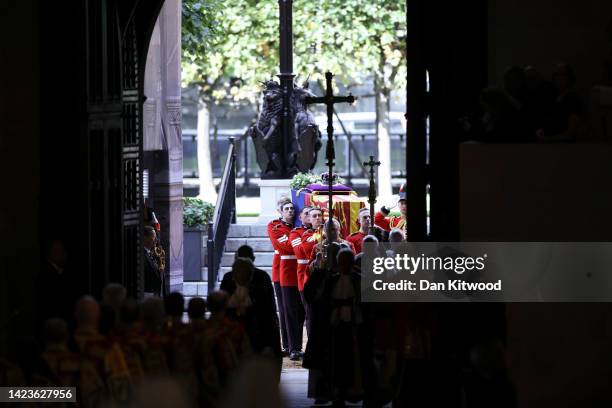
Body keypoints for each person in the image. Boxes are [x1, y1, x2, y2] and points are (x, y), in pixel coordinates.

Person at [220, 249, 281, 361]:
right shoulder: (228, 280)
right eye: (237, 271)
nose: (240, 274)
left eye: (244, 271)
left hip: (257, 337)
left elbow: (268, 312)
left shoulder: (261, 281)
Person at [267, 197, 302, 360]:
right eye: (286, 209)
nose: (290, 211)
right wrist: (300, 244)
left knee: (294, 310)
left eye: (291, 209)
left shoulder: (298, 227)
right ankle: (288, 345)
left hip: (297, 270)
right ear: (280, 211)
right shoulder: (275, 226)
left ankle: (291, 345)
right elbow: (286, 246)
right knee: (285, 310)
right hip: (283, 270)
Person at [537, 63, 586, 142]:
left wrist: (547, 139)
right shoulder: (554, 98)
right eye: (556, 75)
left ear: (570, 78)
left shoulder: (573, 99)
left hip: (564, 148)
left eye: (562, 75)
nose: (558, 78)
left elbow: (571, 133)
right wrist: (542, 130)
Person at [289, 206, 311, 336]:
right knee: (306, 313)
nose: (310, 216)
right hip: (304, 273)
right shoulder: (296, 232)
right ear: (300, 217)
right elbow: (299, 251)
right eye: (306, 214)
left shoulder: (321, 231)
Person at [143, 226, 162, 297]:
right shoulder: (141, 255)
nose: (156, 240)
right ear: (145, 238)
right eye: (154, 237)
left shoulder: (151, 253)